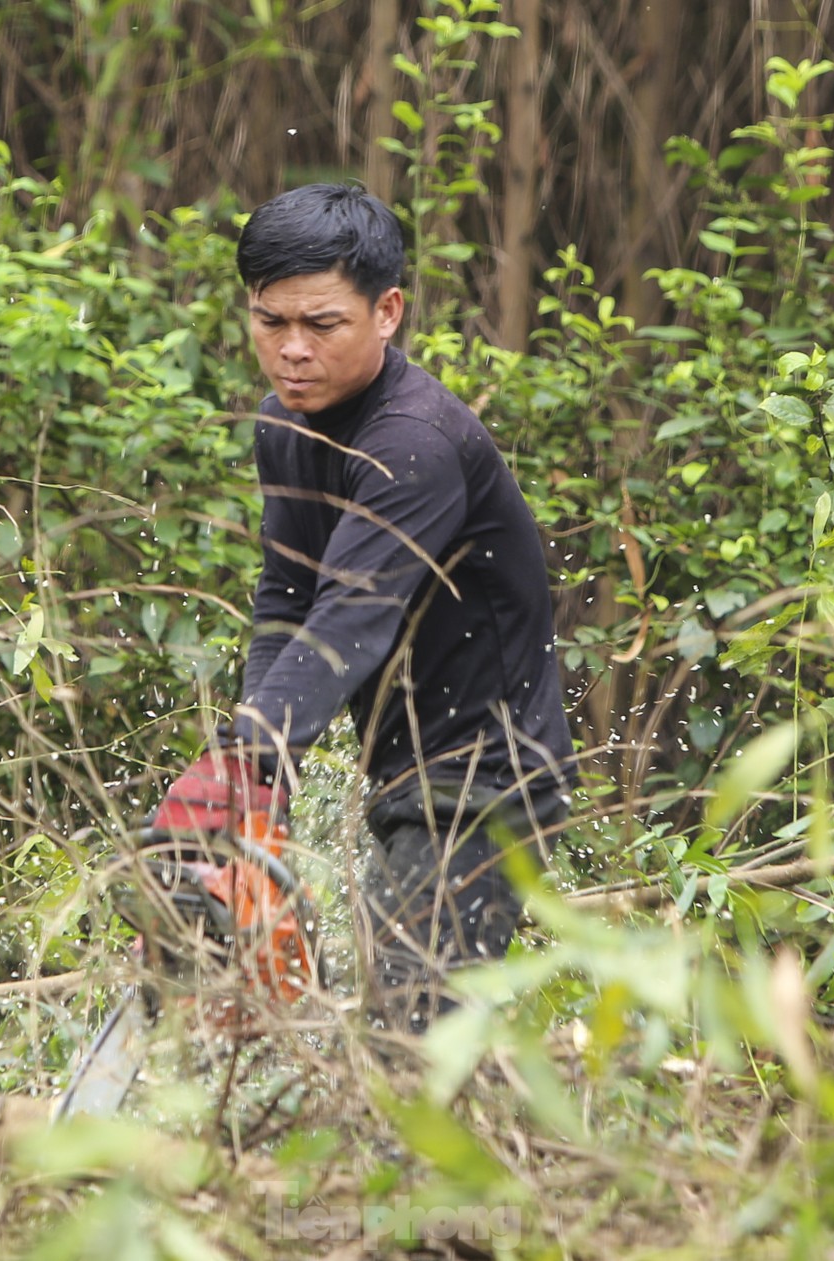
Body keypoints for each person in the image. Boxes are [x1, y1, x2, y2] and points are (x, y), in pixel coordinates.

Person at [151, 183, 573, 1033]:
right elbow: (287, 599)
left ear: (387, 312)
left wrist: (245, 760)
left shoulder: (412, 444)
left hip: (489, 774)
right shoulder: (286, 426)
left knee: (408, 1026)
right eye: (271, 322)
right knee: (341, 1015)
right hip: (405, 768)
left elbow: (352, 616)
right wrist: (256, 770)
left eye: (322, 325)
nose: (291, 351)